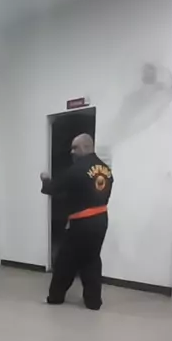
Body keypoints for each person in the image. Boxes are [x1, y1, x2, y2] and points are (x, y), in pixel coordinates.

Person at [41, 133, 113, 310]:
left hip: (82, 223)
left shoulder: (77, 169)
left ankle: (55, 297)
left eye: (75, 148)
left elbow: (53, 188)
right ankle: (93, 301)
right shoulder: (106, 170)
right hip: (101, 220)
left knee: (66, 260)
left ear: (86, 147)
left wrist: (45, 179)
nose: (72, 152)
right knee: (91, 259)